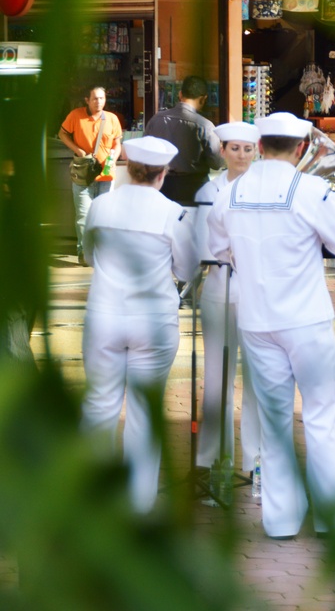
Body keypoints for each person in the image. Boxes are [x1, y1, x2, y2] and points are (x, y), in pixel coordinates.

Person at [207, 112, 335, 540]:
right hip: (305, 319)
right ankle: (333, 519)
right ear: (300, 149)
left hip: (257, 320)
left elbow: (218, 249)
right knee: (320, 416)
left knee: (275, 422)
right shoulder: (310, 189)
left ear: (259, 147)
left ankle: (279, 521)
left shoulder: (231, 191)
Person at [80, 136, 197, 514]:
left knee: (99, 404)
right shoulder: (172, 213)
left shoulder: (100, 206)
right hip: (153, 322)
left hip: (104, 316)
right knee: (145, 414)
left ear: (129, 169)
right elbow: (187, 268)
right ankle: (138, 505)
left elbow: (87, 253)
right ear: (162, 175)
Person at [194, 122, 260, 474]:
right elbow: (205, 245)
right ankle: (212, 457)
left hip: (255, 293)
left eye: (248, 149)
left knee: (256, 378)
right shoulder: (210, 190)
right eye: (235, 148)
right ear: (223, 151)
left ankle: (255, 461)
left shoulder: (265, 189)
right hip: (219, 288)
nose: (242, 156)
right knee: (217, 377)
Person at [58, 85, 123, 265]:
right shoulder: (75, 115)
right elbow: (62, 133)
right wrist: (78, 150)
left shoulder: (111, 119)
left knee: (104, 216)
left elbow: (117, 143)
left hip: (106, 175)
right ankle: (84, 252)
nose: (98, 102)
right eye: (95, 98)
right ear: (87, 100)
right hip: (83, 174)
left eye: (102, 98)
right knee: (84, 216)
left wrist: (114, 157)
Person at [145, 75, 224, 207]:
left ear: (180, 94)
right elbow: (217, 163)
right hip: (194, 188)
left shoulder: (156, 119)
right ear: (203, 99)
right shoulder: (205, 125)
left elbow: (145, 154)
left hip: (161, 185)